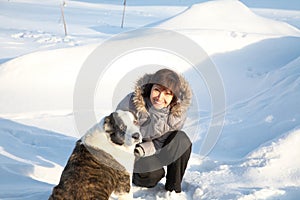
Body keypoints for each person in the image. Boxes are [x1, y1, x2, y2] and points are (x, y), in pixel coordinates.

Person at [116, 68, 192, 193]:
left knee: (182, 140)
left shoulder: (177, 113)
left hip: (155, 148)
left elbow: (161, 142)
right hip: (131, 151)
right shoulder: (131, 102)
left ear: (174, 97)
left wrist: (142, 149)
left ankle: (172, 190)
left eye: (168, 93)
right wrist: (132, 152)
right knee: (153, 175)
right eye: (157, 90)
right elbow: (117, 130)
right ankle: (134, 175)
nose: (160, 97)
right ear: (150, 88)